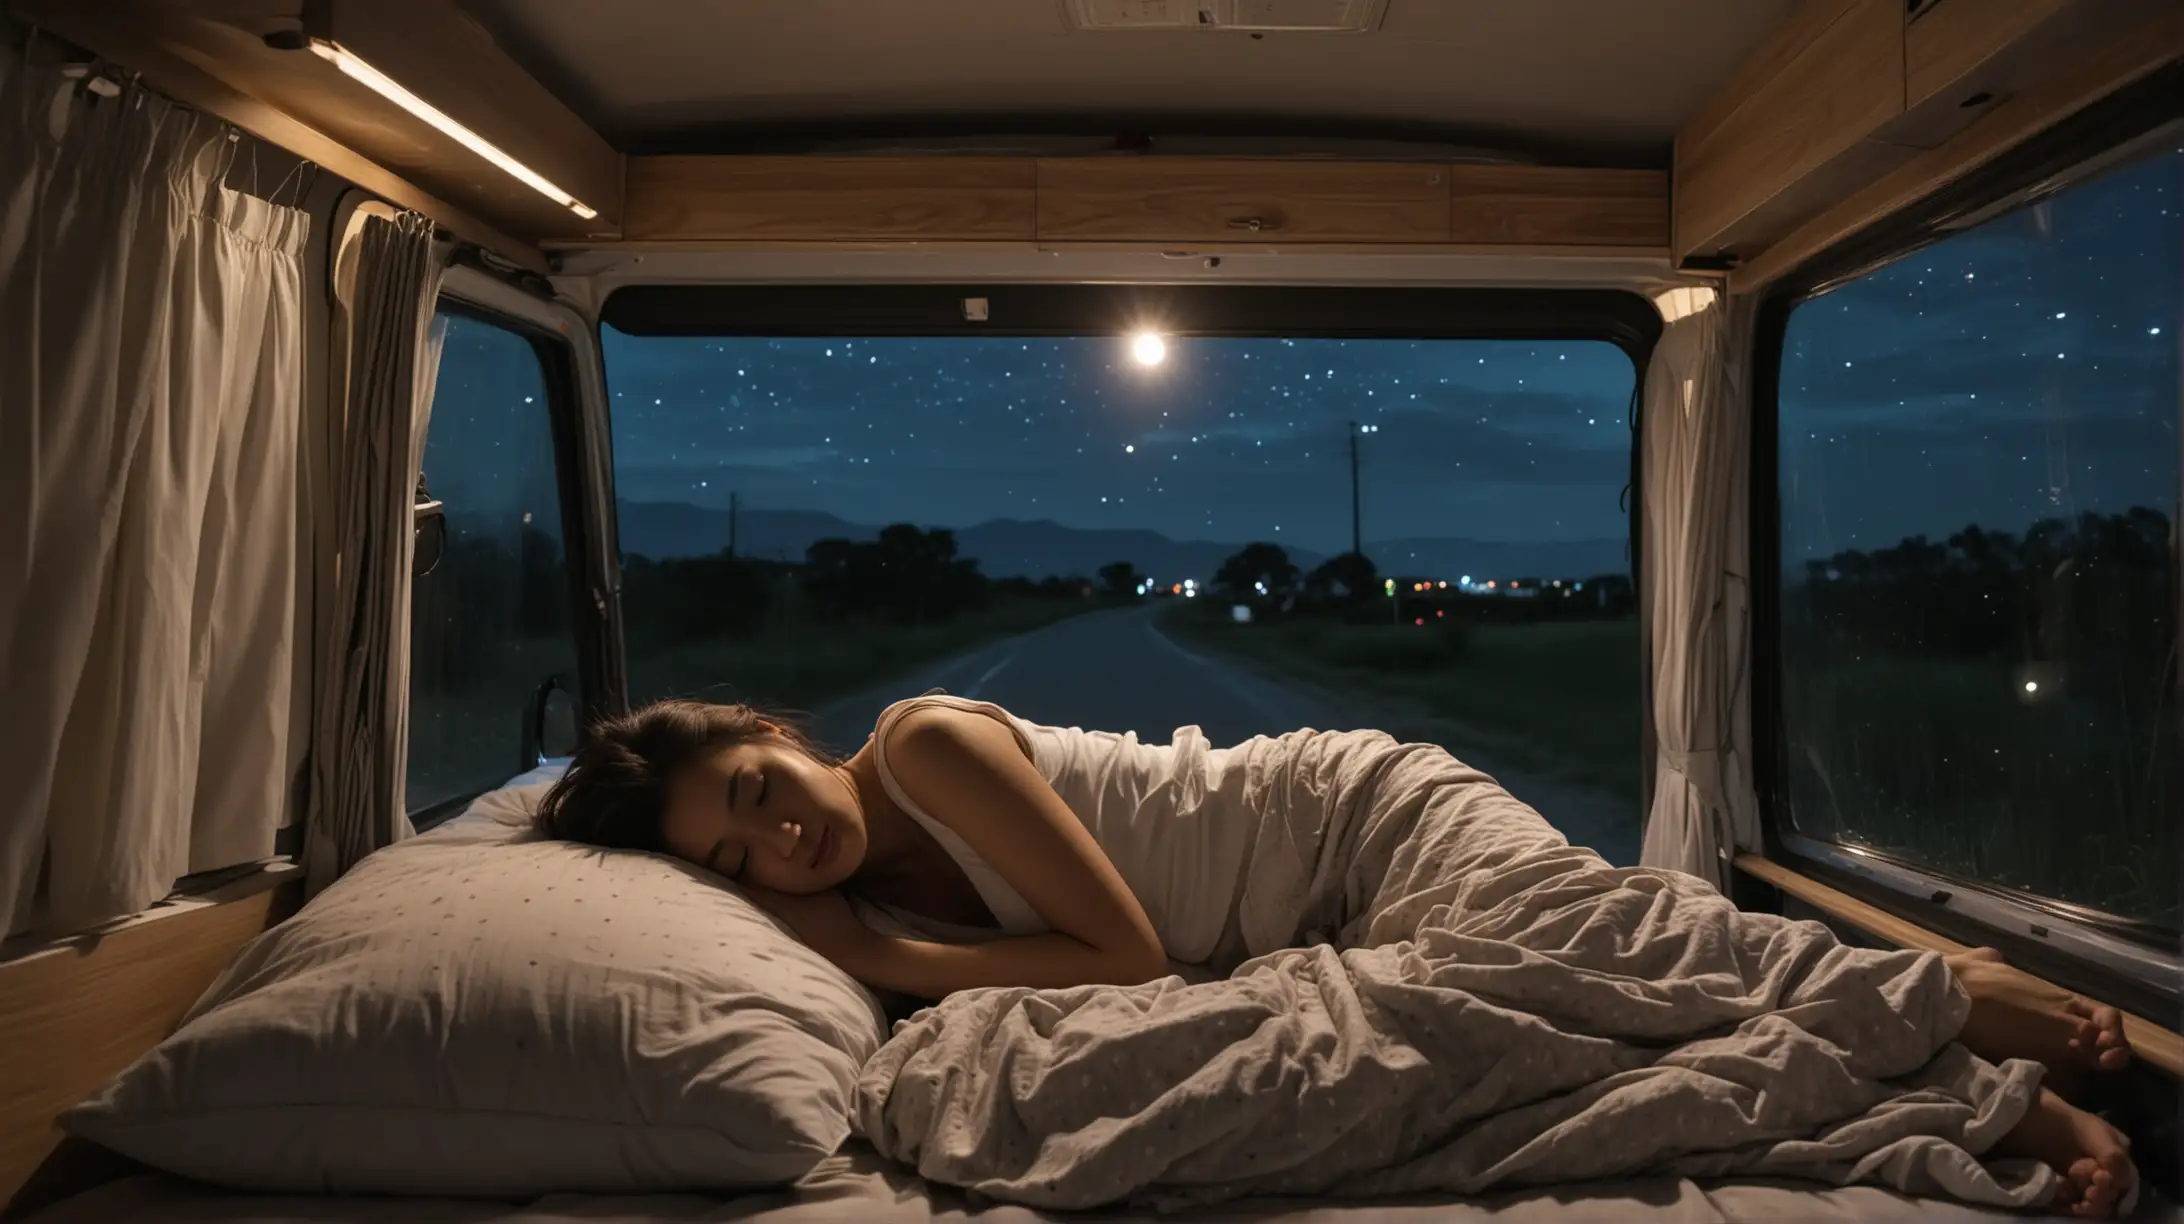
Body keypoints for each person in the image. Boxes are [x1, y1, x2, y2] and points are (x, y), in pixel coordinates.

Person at [536, 692, 2138, 1217]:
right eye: (731, 861)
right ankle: (1967, 1096)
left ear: (780, 736)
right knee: (1561, 1035)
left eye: (757, 793)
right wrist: (856, 942)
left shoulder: (924, 748)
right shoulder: (841, 902)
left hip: (1358, 823)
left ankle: (1951, 1006)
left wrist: (871, 942)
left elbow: (1125, 951)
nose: (774, 845)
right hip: (1335, 925)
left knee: (1594, 943)